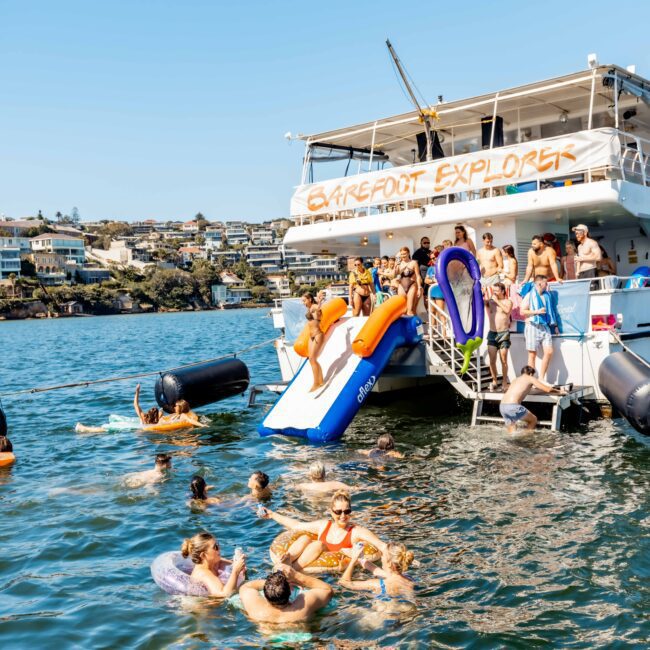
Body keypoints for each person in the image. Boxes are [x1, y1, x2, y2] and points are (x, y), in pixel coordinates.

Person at [258, 491, 387, 571]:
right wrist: (272, 515)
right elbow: (297, 525)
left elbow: (382, 546)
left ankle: (289, 569)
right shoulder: (324, 525)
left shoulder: (356, 531)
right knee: (305, 538)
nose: (343, 515)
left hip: (328, 575)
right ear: (331, 512)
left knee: (318, 544)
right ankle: (286, 560)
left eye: (347, 511)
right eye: (338, 512)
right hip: (308, 563)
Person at [239, 557, 333, 623]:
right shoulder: (301, 607)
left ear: (265, 595)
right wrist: (296, 575)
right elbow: (327, 590)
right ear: (290, 591)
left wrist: (272, 584)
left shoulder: (257, 610)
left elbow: (246, 587)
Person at [500, 366, 567, 434]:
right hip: (513, 406)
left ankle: (513, 443)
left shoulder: (515, 380)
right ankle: (525, 438)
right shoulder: (530, 378)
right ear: (531, 374)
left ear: (522, 373)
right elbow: (548, 389)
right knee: (533, 420)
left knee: (512, 430)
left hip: (502, 406)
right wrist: (559, 391)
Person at [339, 541, 415, 600]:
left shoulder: (376, 584)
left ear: (389, 563)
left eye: (382, 555)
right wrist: (360, 559)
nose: (381, 558)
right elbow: (377, 571)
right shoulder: (409, 579)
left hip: (382, 617)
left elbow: (344, 582)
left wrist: (353, 560)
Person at [180, 531, 246, 597]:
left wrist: (239, 563)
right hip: (203, 605)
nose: (219, 548)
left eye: (218, 544)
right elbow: (224, 594)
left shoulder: (213, 563)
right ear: (203, 555)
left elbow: (232, 564)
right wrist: (235, 572)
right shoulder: (203, 574)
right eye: (215, 547)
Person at [521, 275, 560, 381]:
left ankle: (541, 378)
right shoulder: (529, 295)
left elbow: (551, 311)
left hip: (545, 326)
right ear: (539, 284)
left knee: (549, 352)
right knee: (532, 354)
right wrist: (536, 312)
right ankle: (531, 380)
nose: (547, 285)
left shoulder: (547, 295)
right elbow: (522, 311)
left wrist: (555, 326)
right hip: (532, 325)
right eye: (545, 283)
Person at [485, 282, 513, 391]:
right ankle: (495, 380)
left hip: (503, 333)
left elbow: (507, 311)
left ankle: (505, 382)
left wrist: (497, 301)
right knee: (492, 360)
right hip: (492, 333)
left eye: (496, 290)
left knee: (503, 359)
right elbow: (478, 302)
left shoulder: (508, 302)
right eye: (493, 290)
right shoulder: (490, 302)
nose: (494, 292)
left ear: (502, 291)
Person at [302, 292, 324, 392]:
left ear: (310, 299)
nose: (303, 303)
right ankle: (320, 380)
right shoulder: (309, 308)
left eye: (304, 300)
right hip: (311, 337)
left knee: (312, 359)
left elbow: (318, 309)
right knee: (312, 359)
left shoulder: (314, 306)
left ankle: (316, 383)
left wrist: (319, 302)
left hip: (318, 335)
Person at [394, 247, 422, 316]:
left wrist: (419, 287)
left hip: (411, 285)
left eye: (404, 254)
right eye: (402, 254)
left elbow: (418, 276)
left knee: (410, 310)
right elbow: (395, 274)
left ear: (408, 253)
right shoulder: (399, 264)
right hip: (401, 285)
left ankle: (412, 326)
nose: (403, 255)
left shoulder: (413, 263)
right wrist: (396, 265)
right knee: (402, 309)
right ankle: (403, 326)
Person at [424, 249, 445, 324]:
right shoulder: (430, 268)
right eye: (432, 258)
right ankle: (433, 332)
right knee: (432, 312)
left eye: (435, 257)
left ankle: (444, 333)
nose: (434, 259)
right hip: (432, 291)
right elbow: (426, 280)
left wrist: (432, 280)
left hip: (440, 292)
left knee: (441, 312)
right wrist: (434, 280)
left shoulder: (442, 267)